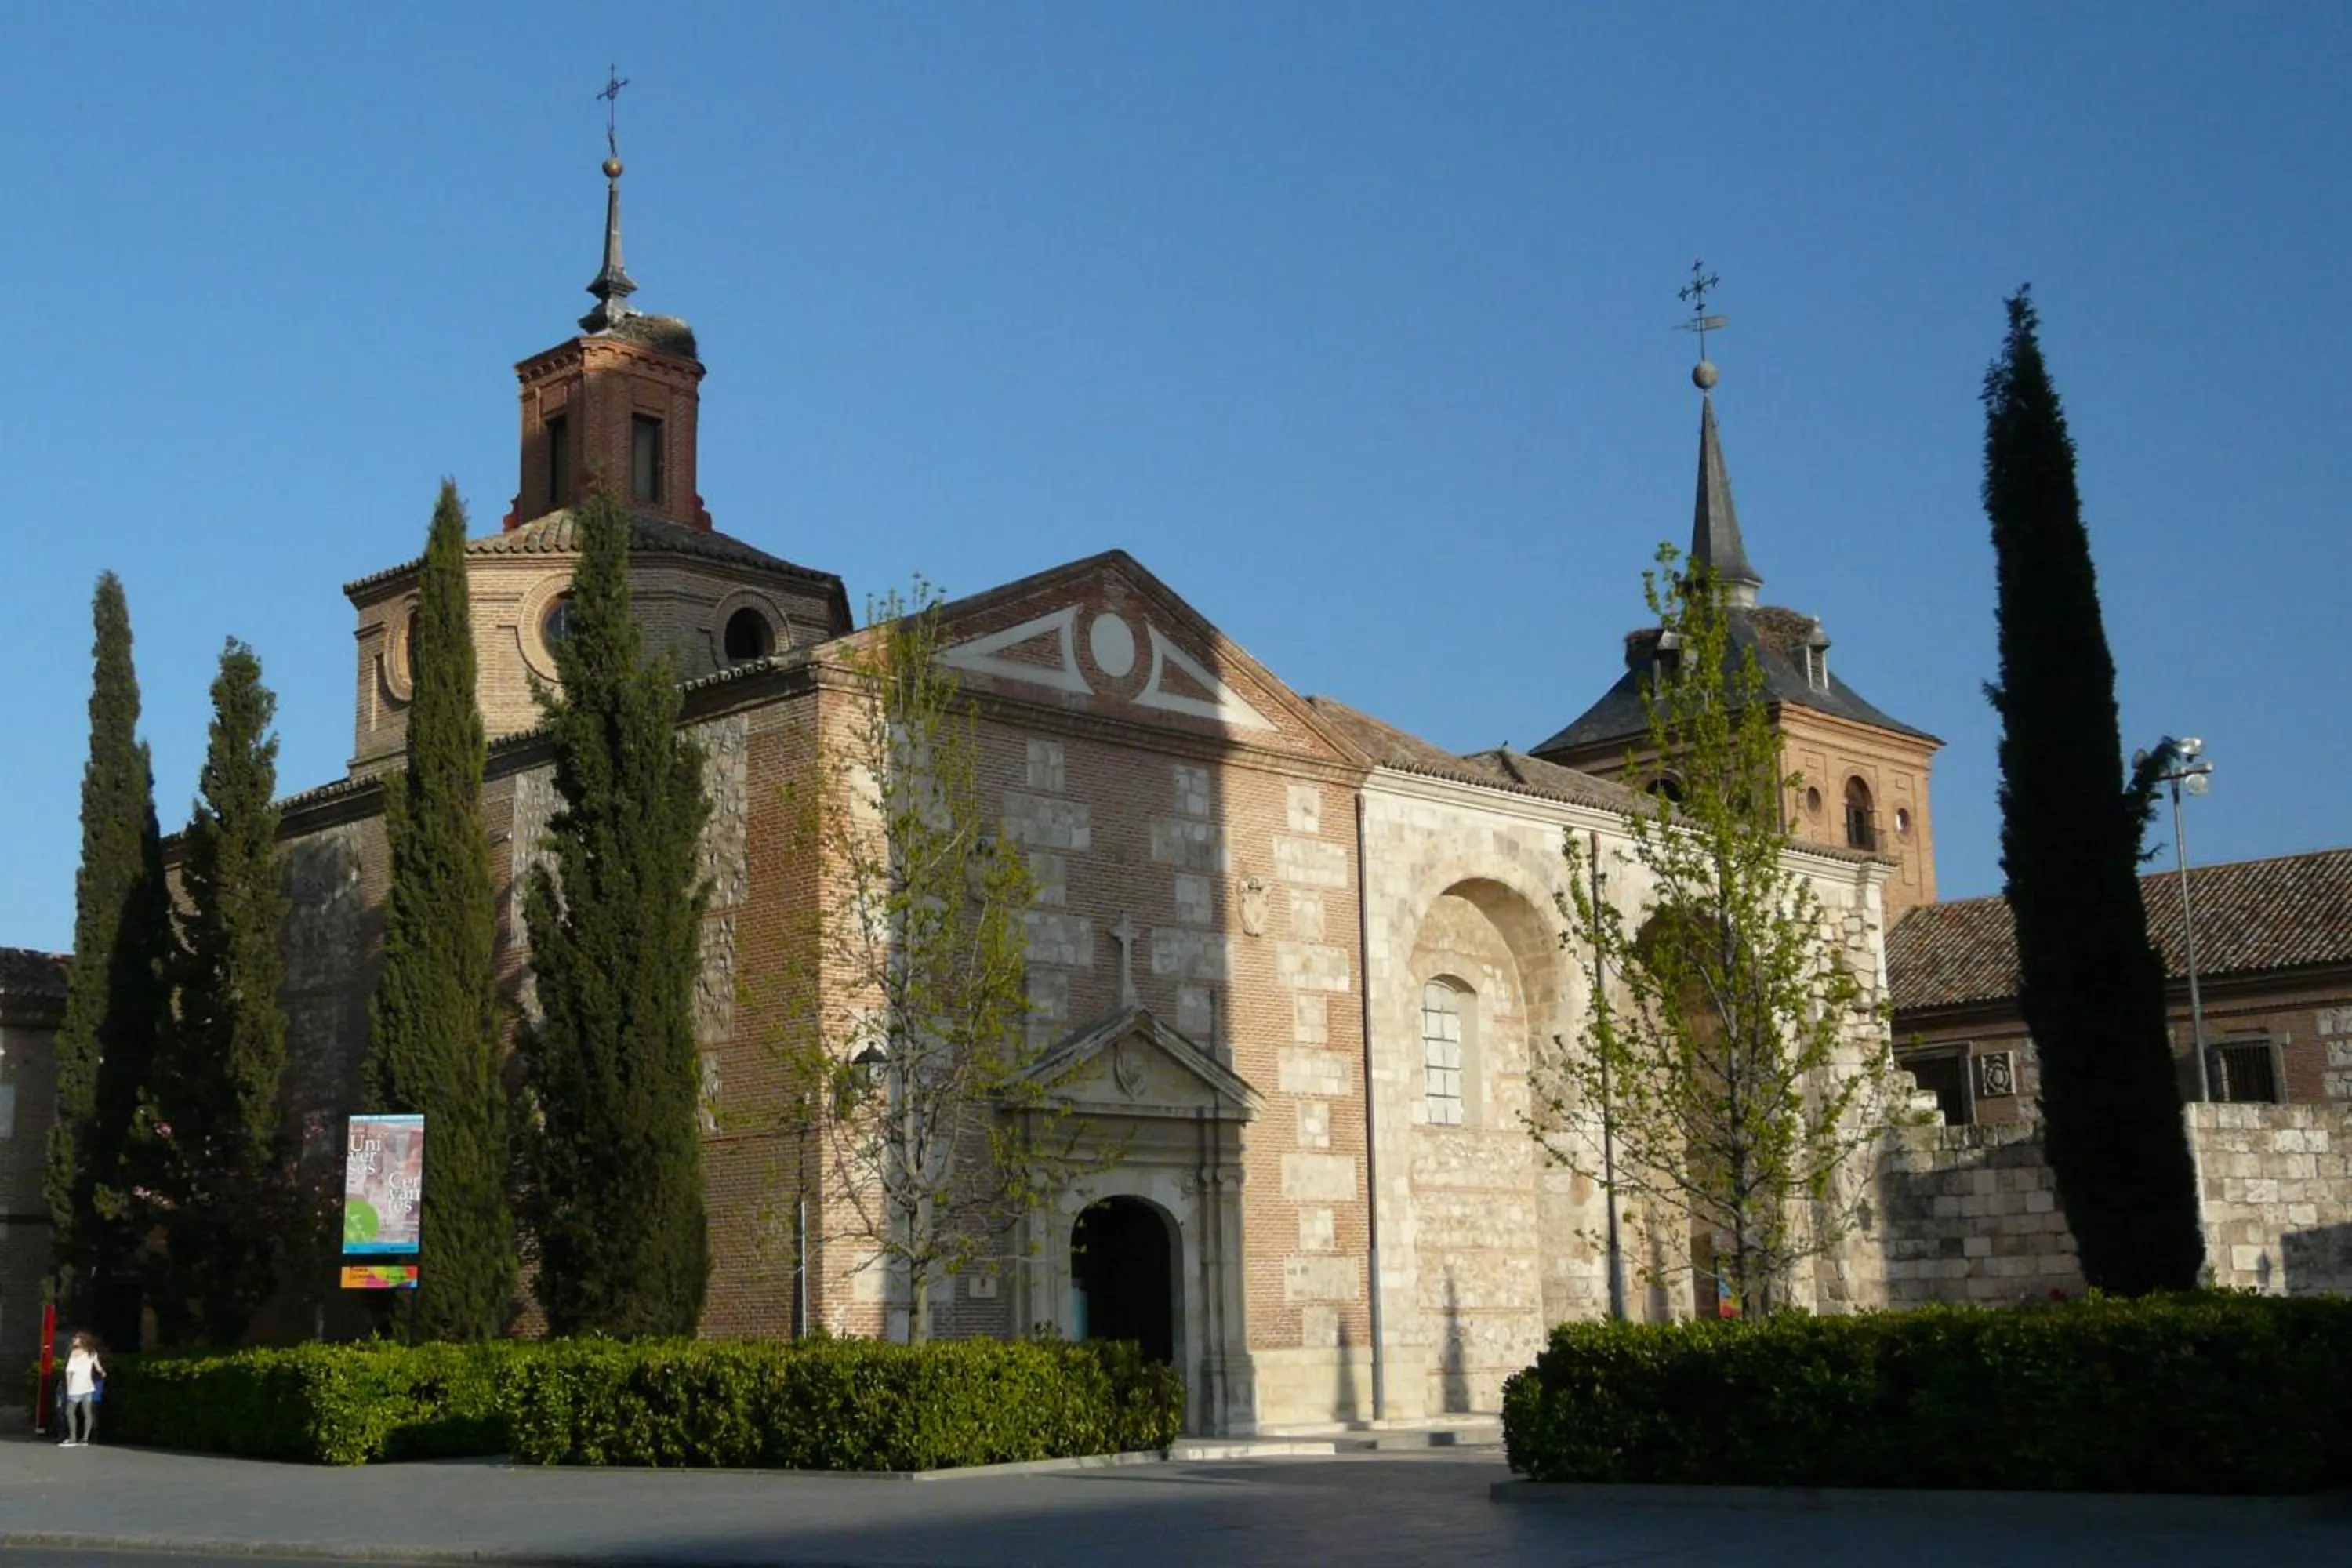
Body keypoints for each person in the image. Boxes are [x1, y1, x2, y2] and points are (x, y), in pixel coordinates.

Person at [60, 1331, 104, 1447]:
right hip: (88, 1387)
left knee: (70, 1412)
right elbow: (98, 1367)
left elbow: (69, 1372)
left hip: (75, 1387)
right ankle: (85, 1439)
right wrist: (103, 1373)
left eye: (76, 1338)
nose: (74, 1340)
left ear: (82, 1341)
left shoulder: (73, 1353)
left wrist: (69, 1388)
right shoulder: (92, 1352)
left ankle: (73, 1437)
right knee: (87, 1413)